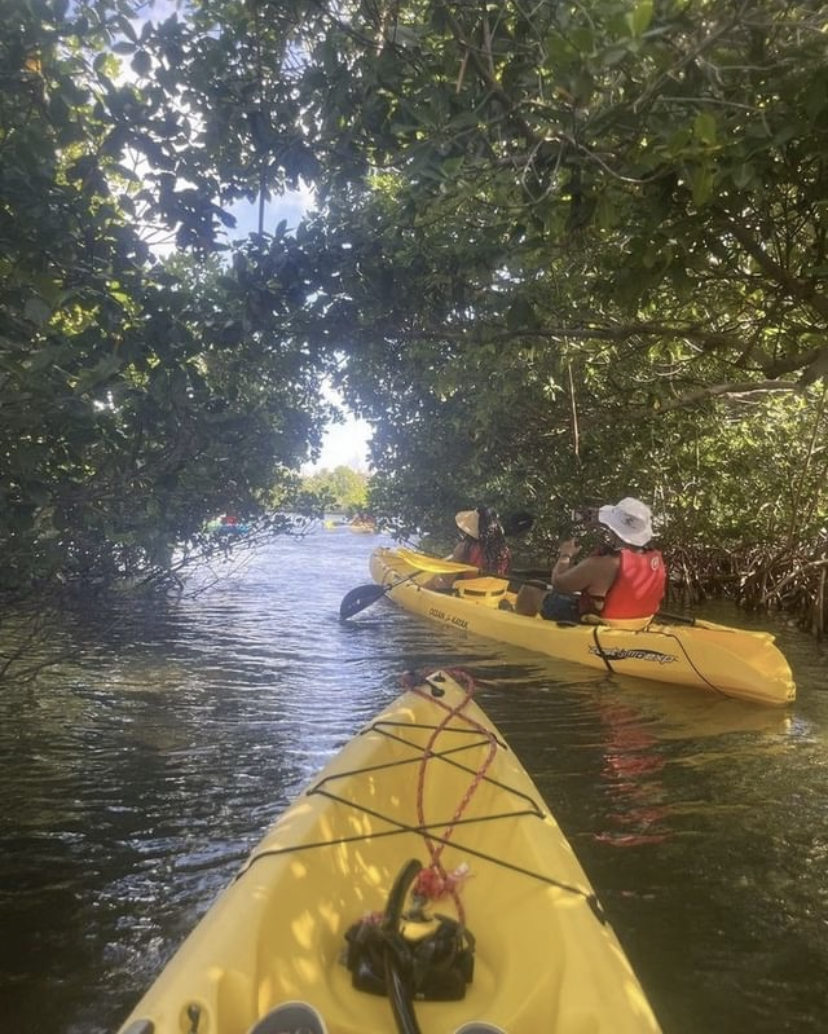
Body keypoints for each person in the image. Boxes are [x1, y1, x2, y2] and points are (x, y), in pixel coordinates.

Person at [515, 497, 665, 625]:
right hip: (634, 622)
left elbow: (559, 584)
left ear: (614, 531)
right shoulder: (654, 561)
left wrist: (565, 556)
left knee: (532, 587)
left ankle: (518, 630)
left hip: (596, 623)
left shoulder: (602, 564)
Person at [427, 507, 511, 591]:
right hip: (492, 595)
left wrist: (436, 579)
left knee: (434, 579)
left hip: (466, 594)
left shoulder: (465, 547)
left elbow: (447, 579)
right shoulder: (505, 551)